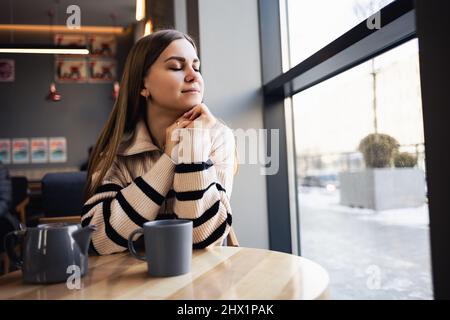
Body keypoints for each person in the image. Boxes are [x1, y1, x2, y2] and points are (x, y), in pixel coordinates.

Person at [81, 30, 236, 255]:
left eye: (196, 66)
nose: (194, 76)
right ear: (143, 85)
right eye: (176, 67)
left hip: (201, 281)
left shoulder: (218, 138)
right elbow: (97, 238)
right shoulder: (117, 149)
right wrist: (168, 161)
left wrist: (192, 143)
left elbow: (201, 239)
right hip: (130, 283)